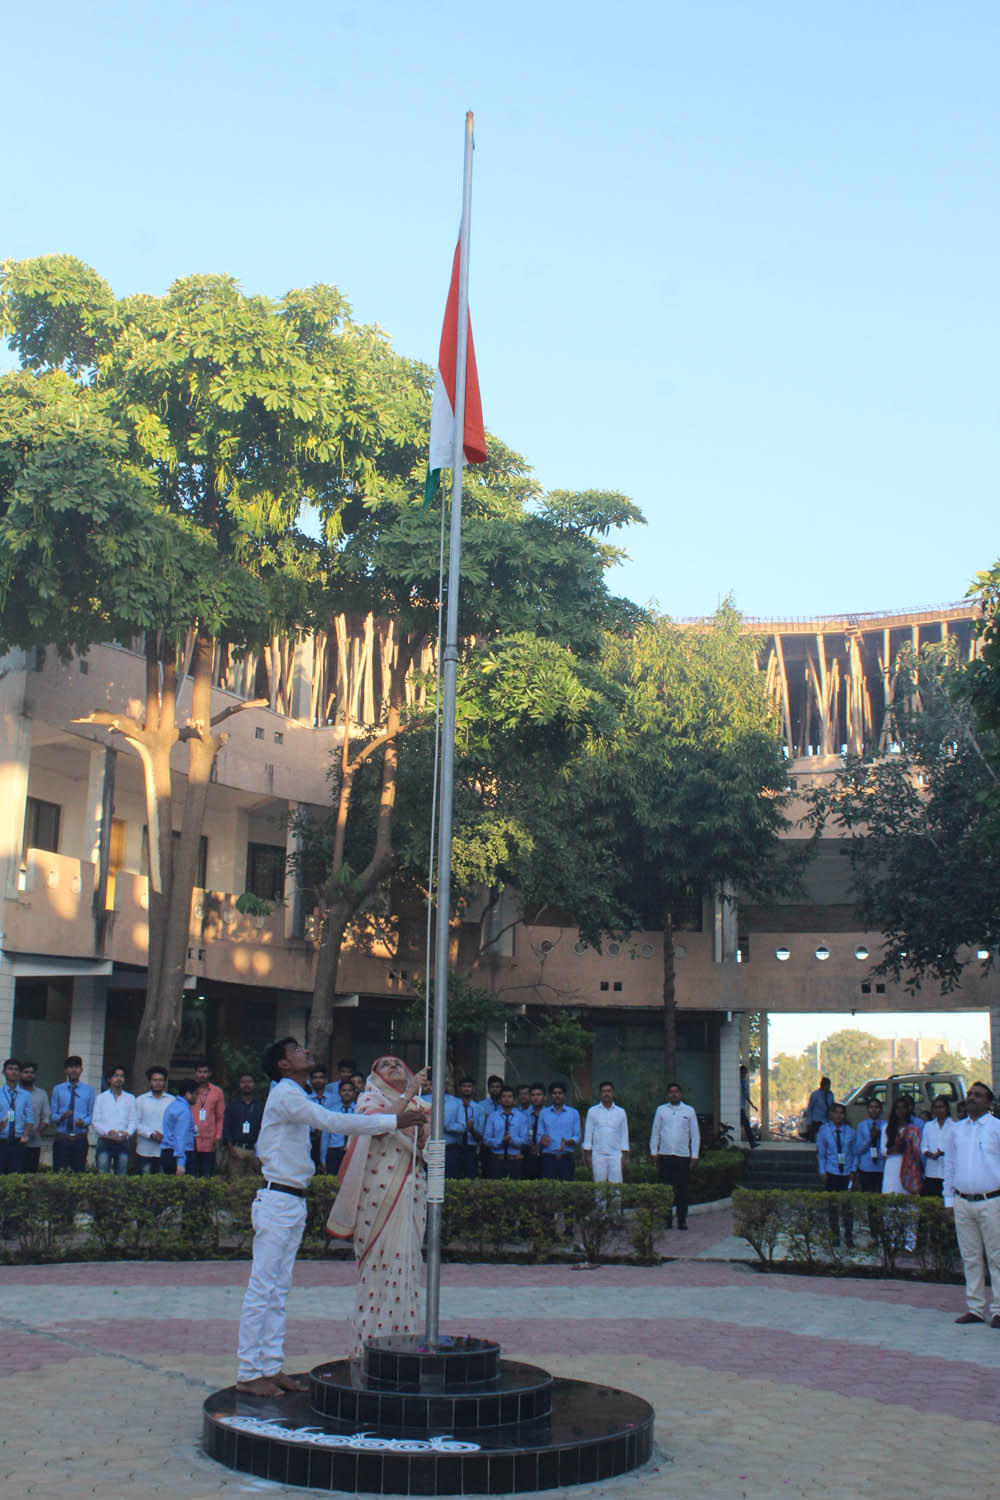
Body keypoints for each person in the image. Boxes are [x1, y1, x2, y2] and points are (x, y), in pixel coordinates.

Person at [236, 1040, 423, 1393]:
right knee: (262, 1288)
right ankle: (248, 1372)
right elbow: (332, 1121)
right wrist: (393, 1120)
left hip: (290, 1200)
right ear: (283, 1064)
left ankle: (271, 1365)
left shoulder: (295, 1092)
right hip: (277, 1198)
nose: (306, 1051)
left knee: (278, 1289)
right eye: (297, 1050)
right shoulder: (286, 1095)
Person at [327, 1056, 429, 1358]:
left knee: (407, 1265)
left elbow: (428, 1151)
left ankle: (403, 1345)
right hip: (376, 1198)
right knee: (376, 1270)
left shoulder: (421, 1108)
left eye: (398, 1062)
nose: (393, 1066)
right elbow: (378, 1127)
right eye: (384, 1064)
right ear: (374, 1075)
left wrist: (424, 1133)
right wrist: (408, 1093)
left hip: (410, 1193)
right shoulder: (368, 1100)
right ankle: (367, 1347)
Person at [943, 1080, 1000, 1327]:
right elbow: (949, 1165)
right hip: (963, 1201)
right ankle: (975, 1308)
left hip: (991, 1201)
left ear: (989, 1102)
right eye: (969, 1094)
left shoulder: (997, 1127)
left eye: (978, 1095)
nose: (971, 1098)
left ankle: (998, 1309)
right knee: (971, 1257)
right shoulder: (957, 1129)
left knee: (996, 1257)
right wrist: (948, 1199)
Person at [650, 1082, 700, 1230]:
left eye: (676, 1092)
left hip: (683, 1156)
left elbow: (695, 1135)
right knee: (665, 1189)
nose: (673, 1094)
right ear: (667, 1095)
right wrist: (654, 1152)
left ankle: (682, 1219)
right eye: (671, 1092)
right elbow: (655, 1132)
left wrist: (695, 1155)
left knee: (682, 1190)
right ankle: (666, 1219)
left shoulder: (689, 1111)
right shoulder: (661, 1110)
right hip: (665, 1155)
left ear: (681, 1094)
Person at [816, 1102, 858, 1247]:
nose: (839, 1115)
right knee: (832, 1206)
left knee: (848, 1207)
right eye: (836, 1112)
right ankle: (834, 1235)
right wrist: (822, 1171)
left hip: (846, 1172)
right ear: (831, 1114)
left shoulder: (850, 1131)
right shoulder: (824, 1130)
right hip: (832, 1171)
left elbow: (854, 1153)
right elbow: (821, 1153)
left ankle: (848, 1235)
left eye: (842, 1113)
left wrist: (853, 1170)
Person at [50, 1056, 95, 1172]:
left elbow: (92, 1114)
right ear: (65, 1070)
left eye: (76, 1067)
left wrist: (84, 1122)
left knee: (79, 1172)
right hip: (62, 1138)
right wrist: (62, 1117)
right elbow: (53, 1115)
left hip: (80, 1138)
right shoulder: (58, 1089)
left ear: (81, 1070)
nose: (73, 1070)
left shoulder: (89, 1090)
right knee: (59, 1172)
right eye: (70, 1067)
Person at [92, 1065, 137, 1175]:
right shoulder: (101, 1098)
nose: (119, 1078)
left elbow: (133, 1120)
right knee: (102, 1173)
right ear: (109, 1079)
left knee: (122, 1173)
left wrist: (127, 1133)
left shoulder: (130, 1098)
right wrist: (109, 1131)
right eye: (116, 1076)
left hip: (123, 1141)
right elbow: (96, 1121)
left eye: (122, 1076)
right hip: (105, 1140)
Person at [583, 1081, 630, 1184]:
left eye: (609, 1091)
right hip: (598, 1155)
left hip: (616, 1155)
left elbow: (624, 1135)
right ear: (600, 1094)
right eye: (603, 1091)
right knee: (599, 1190)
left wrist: (625, 1157)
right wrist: (587, 1156)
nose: (606, 1094)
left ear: (613, 1093)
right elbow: (588, 1136)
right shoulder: (592, 1111)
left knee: (616, 1189)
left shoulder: (621, 1112)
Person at [483, 1084, 530, 1178]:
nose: (507, 1099)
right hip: (497, 1160)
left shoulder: (522, 1117)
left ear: (514, 1100)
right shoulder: (492, 1117)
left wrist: (512, 1140)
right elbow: (486, 1139)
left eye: (510, 1097)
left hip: (515, 1160)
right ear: (499, 1100)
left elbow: (525, 1139)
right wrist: (501, 1141)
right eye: (504, 1097)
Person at [223, 1073, 265, 1176]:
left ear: (254, 1084)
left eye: (249, 1082)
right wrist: (231, 1149)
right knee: (235, 1183)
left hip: (255, 1150)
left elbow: (265, 1129)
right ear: (239, 1085)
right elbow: (226, 1127)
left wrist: (261, 1153)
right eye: (243, 1082)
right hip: (237, 1149)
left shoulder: (261, 1106)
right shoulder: (233, 1104)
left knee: (253, 1184)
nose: (247, 1085)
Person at [538, 1083, 582, 1180]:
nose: (557, 1095)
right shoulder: (544, 1113)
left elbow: (577, 1135)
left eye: (560, 1093)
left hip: (566, 1157)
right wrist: (542, 1140)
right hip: (548, 1157)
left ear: (564, 1095)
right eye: (554, 1093)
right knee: (548, 1189)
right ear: (550, 1095)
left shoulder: (573, 1113)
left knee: (567, 1189)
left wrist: (569, 1141)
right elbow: (539, 1135)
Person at [881, 1096, 923, 1196]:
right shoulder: (887, 1128)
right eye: (897, 1107)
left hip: (909, 1166)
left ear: (908, 1109)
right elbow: (883, 1150)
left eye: (903, 1107)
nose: (900, 1110)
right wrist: (895, 1149)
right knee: (891, 1194)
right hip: (892, 1164)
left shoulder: (913, 1129)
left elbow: (917, 1151)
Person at [190, 1060, 225, 1177]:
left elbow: (220, 1117)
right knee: (192, 1174)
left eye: (205, 1072)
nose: (202, 1075)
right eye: (199, 1072)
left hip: (209, 1140)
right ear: (195, 1073)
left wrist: (218, 1136)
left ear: (210, 1073)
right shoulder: (189, 1090)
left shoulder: (217, 1092)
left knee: (207, 1174)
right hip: (191, 1139)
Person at [135, 1066, 172, 1174]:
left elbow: (175, 1124)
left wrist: (164, 1136)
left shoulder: (171, 1101)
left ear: (165, 1082)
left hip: (165, 1149)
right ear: (150, 1082)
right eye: (155, 1080)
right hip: (145, 1150)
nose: (158, 1083)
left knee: (163, 1184)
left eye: (161, 1080)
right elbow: (135, 1123)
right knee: (145, 1184)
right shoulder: (140, 1100)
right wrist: (151, 1134)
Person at [443, 1076, 482, 1178]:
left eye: (469, 1086)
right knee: (454, 1177)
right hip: (455, 1147)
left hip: (471, 1149)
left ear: (473, 1089)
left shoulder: (479, 1108)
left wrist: (471, 1129)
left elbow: (480, 1137)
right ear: (459, 1088)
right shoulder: (451, 1104)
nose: (466, 1089)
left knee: (471, 1177)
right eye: (464, 1086)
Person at [0, 1058, 33, 1174]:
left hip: (18, 1142)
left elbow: (30, 1119)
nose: (13, 1072)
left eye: (16, 1069)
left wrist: (25, 1134)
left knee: (16, 1175)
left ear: (19, 1073)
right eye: (10, 1069)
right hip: (2, 1141)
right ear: (4, 1072)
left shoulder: (26, 1095)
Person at [320, 1078, 356, 1176]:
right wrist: (323, 1158)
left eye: (349, 1090)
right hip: (334, 1151)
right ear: (339, 1093)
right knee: (333, 1180)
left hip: (352, 1150)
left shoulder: (359, 1110)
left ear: (354, 1092)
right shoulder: (332, 1111)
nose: (347, 1093)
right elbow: (325, 1136)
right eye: (344, 1090)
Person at [18, 1061, 49, 1173]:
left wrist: (38, 1131)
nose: (29, 1075)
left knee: (30, 1175)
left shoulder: (41, 1094)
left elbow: (46, 1117)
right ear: (20, 1074)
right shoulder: (13, 1092)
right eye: (26, 1072)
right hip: (14, 1142)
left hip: (33, 1143)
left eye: (32, 1072)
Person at [920, 1094, 953, 1197]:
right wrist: (931, 1155)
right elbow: (924, 1147)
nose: (939, 1110)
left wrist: (942, 1153)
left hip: (947, 1172)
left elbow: (956, 1149)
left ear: (947, 1108)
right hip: (931, 1172)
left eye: (941, 1107)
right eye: (936, 1107)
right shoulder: (928, 1126)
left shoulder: (954, 1126)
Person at [160, 1081, 197, 1174]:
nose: (197, 1097)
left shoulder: (171, 1106)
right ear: (188, 1094)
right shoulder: (184, 1111)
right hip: (180, 1153)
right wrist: (181, 1163)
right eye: (196, 1094)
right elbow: (180, 1136)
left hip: (167, 1152)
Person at [853, 1098, 886, 1191]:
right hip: (866, 1166)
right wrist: (870, 1139)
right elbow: (858, 1149)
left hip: (881, 1166)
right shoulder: (862, 1125)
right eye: (871, 1107)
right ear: (867, 1109)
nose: (874, 1110)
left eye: (877, 1107)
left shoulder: (885, 1125)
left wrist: (880, 1136)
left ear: (881, 1110)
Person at [521, 1082, 547, 1180]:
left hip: (545, 1155)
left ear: (545, 1097)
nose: (536, 1098)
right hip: (526, 1155)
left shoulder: (550, 1114)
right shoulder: (522, 1115)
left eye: (539, 1095)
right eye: (533, 1095)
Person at [805, 1077, 834, 1142]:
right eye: (826, 1085)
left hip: (826, 1122)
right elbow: (810, 1109)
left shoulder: (830, 1095)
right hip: (816, 1122)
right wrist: (809, 1123)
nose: (828, 1087)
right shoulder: (815, 1095)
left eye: (828, 1085)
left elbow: (832, 1107)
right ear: (822, 1085)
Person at [739, 1065, 757, 1149]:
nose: (744, 1075)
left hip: (740, 1107)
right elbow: (746, 1095)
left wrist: (752, 1105)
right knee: (746, 1125)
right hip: (739, 1108)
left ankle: (752, 1142)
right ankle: (752, 1143)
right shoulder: (741, 1082)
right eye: (744, 1073)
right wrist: (752, 1105)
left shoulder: (741, 1082)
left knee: (745, 1125)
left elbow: (746, 1095)